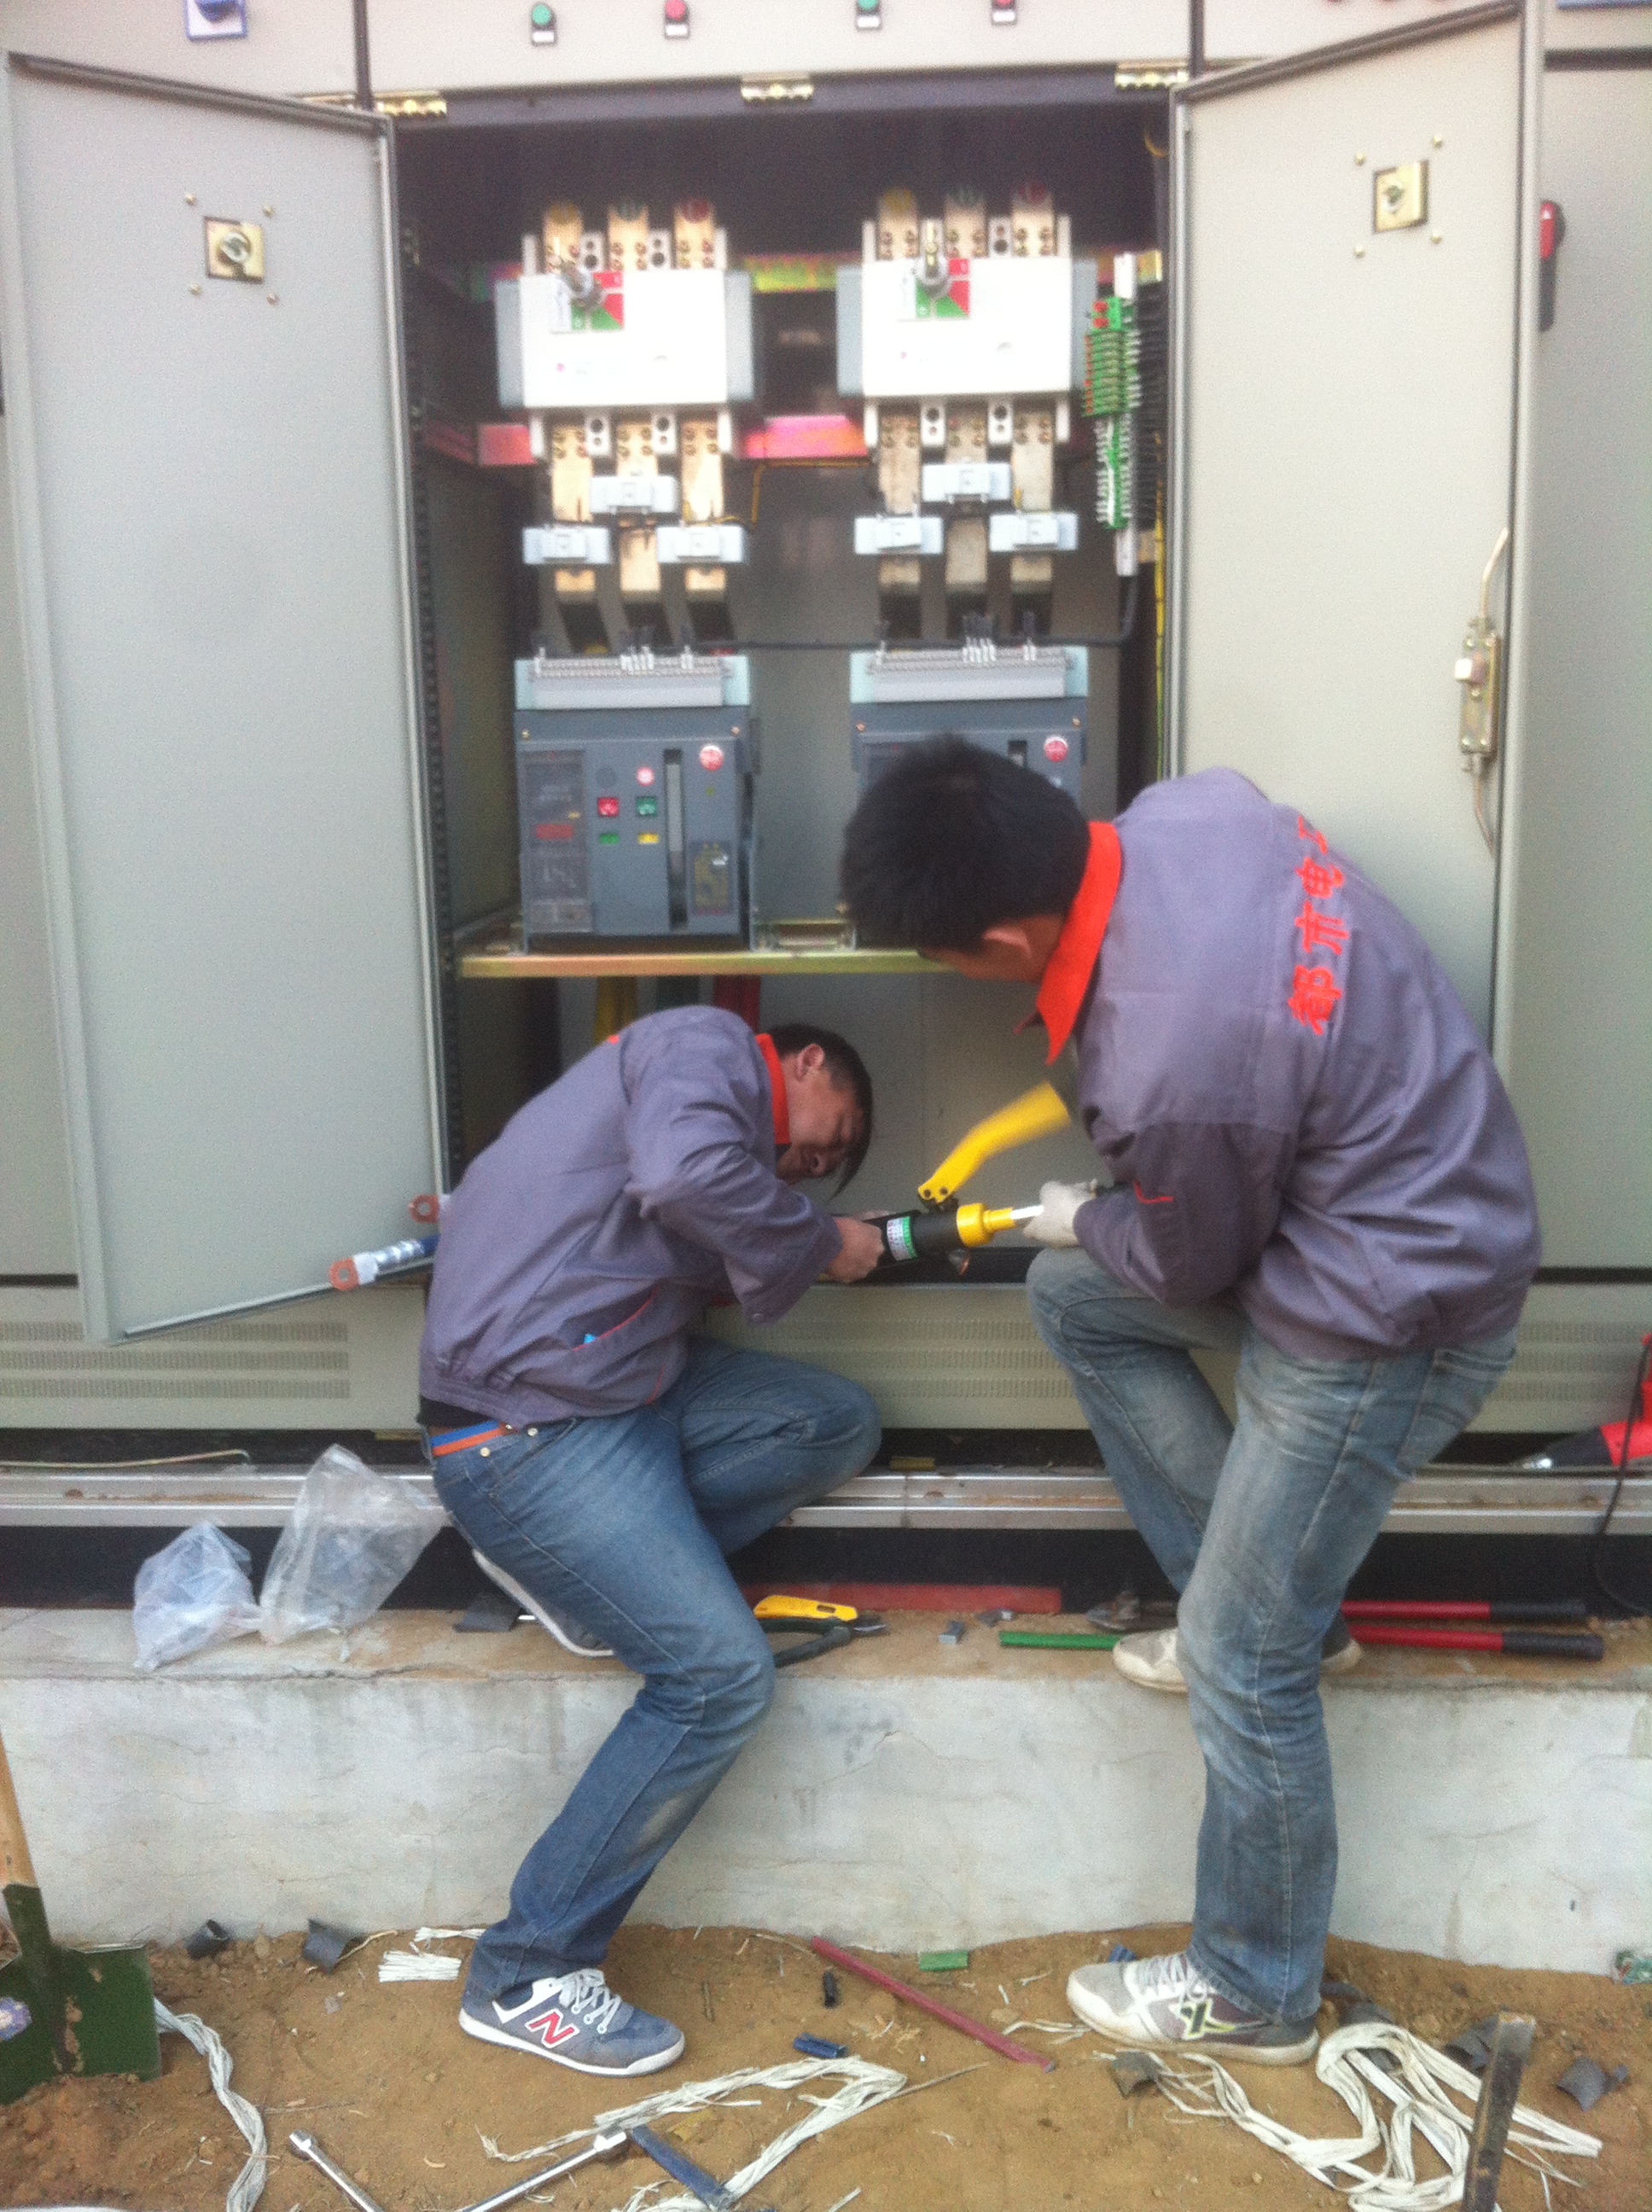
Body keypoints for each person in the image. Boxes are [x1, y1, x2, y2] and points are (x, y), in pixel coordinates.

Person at [840, 739, 1539, 2066]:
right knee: (1075, 1302)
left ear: (1001, 940)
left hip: (1391, 1317)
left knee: (1237, 1655)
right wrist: (1092, 1234)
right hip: (1388, 1219)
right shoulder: (1197, 812)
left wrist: (1085, 1213)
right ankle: (1277, 1609)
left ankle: (1255, 1984)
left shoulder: (1175, 1062)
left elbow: (1186, 1261)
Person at [419, 1008, 885, 2076]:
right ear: (805, 1060)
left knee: (831, 1421)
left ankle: (593, 1576)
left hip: (621, 1392)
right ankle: (525, 1973)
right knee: (719, 1679)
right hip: (525, 1433)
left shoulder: (706, 1132)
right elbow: (685, 1179)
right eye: (836, 1130)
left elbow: (693, 1220)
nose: (821, 1161)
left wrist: (829, 1241)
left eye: (829, 1168)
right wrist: (823, 1238)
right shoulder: (705, 1047)